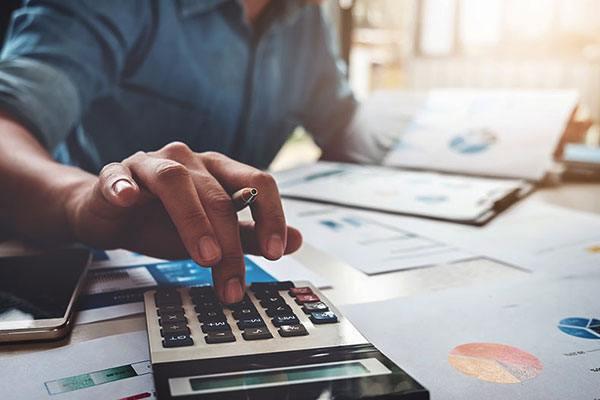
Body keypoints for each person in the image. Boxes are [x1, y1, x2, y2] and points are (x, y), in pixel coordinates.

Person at [0, 0, 393, 303]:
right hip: (82, 276)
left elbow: (346, 132)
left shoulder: (305, 20)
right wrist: (75, 200)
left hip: (229, 278)